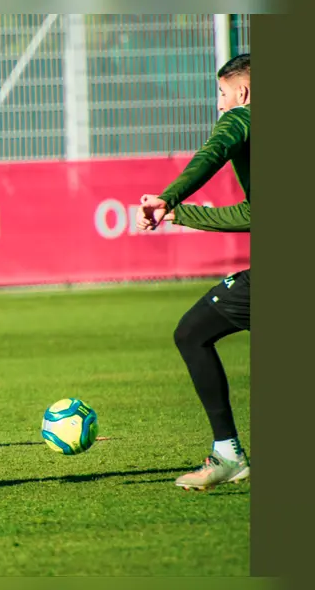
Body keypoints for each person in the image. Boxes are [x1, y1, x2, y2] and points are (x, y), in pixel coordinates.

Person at [138, 53, 251, 491]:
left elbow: (211, 154)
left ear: (242, 92)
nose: (220, 104)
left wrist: (169, 199)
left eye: (222, 93)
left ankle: (228, 453)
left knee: (191, 333)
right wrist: (182, 213)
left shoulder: (240, 118)